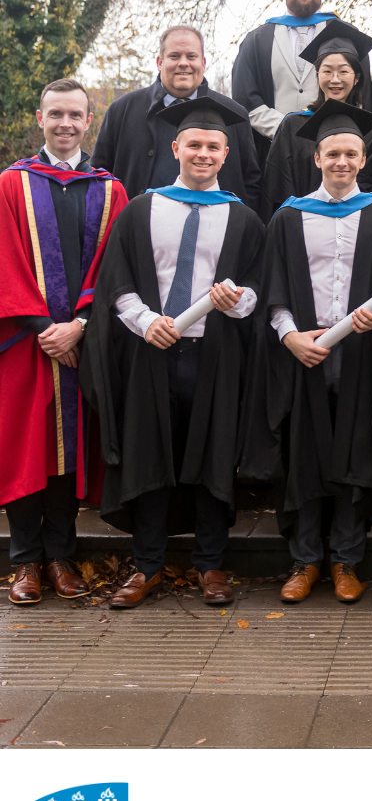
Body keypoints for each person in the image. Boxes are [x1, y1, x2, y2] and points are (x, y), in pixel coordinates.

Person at [82, 98, 266, 609]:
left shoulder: (243, 218)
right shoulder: (141, 210)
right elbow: (116, 281)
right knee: (150, 455)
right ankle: (146, 566)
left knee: (213, 455)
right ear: (176, 148)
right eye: (194, 145)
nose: (203, 154)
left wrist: (236, 301)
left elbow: (259, 286)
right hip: (152, 353)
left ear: (226, 153)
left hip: (215, 356)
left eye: (213, 147)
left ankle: (211, 565)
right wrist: (147, 322)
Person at [242, 100, 372, 604]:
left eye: (351, 154)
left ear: (363, 159)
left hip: (361, 356)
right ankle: (306, 560)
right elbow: (273, 289)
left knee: (356, 452)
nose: (341, 162)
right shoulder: (288, 217)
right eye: (332, 153)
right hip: (303, 355)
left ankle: (347, 561)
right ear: (316, 158)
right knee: (304, 453)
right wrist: (290, 336)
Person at [0, 78, 128, 605]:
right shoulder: (11, 184)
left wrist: (80, 324)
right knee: (25, 447)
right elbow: (4, 259)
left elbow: (116, 268)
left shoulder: (110, 190)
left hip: (82, 342)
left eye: (75, 115)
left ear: (88, 120)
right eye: (56, 114)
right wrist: (43, 328)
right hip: (24, 343)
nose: (66, 124)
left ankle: (60, 556)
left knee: (69, 451)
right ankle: (24, 561)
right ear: (40, 118)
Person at [92, 25, 261, 207]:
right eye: (174, 56)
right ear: (159, 62)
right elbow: (99, 179)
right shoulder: (122, 111)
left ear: (203, 63)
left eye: (191, 56)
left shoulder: (235, 115)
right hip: (138, 222)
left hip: (218, 221)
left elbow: (251, 183)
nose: (183, 63)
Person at [231, 0, 355, 163]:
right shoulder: (257, 39)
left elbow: (360, 94)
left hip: (334, 150)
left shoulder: (344, 34)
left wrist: (329, 129)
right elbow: (245, 98)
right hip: (273, 152)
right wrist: (286, 130)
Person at [259, 19, 372, 220]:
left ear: (356, 78)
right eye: (327, 71)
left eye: (343, 71)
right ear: (318, 76)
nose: (335, 79)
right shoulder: (293, 126)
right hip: (300, 226)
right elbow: (276, 188)